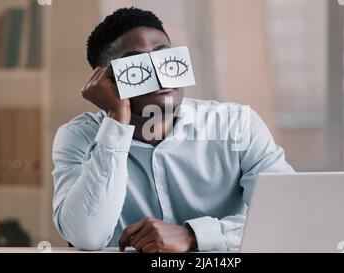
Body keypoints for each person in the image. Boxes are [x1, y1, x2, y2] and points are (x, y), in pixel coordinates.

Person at [52, 7, 294, 252]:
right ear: (106, 82)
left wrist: (194, 236)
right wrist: (116, 122)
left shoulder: (237, 125)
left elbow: (288, 217)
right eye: (135, 66)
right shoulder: (79, 137)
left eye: (164, 57)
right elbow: (86, 236)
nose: (159, 75)